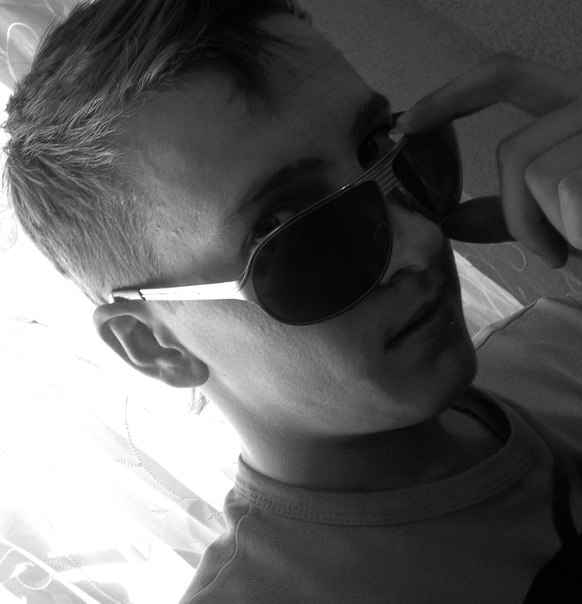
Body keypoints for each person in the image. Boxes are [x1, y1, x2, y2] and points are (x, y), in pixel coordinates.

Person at [4, 0, 582, 601]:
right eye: (289, 227)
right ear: (155, 346)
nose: (421, 243)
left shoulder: (565, 342)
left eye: (377, 146)